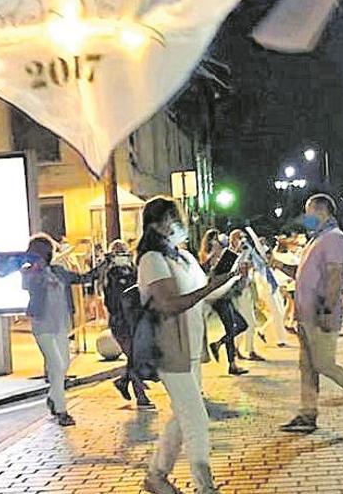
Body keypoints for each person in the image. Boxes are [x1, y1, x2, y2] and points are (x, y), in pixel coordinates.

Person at [137, 197, 235, 494]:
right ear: (156, 224)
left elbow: (205, 295)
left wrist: (228, 278)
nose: (179, 224)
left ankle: (156, 475)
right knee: (196, 418)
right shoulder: (151, 260)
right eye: (172, 218)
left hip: (192, 347)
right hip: (169, 349)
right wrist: (209, 286)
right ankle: (205, 486)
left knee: (183, 417)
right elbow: (167, 304)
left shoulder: (185, 257)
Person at [275, 194, 343, 433]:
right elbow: (304, 275)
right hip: (306, 313)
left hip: (320, 312)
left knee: (324, 363)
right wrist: (280, 265)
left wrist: (328, 309)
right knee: (308, 366)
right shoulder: (317, 239)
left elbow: (335, 276)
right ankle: (307, 413)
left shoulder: (334, 238)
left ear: (321, 211)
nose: (306, 217)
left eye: (308, 212)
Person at [22, 233, 105, 427]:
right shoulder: (29, 272)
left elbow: (83, 278)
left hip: (62, 325)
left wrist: (102, 266)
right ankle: (62, 411)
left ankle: (53, 397)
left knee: (63, 366)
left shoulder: (59, 271)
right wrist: (36, 270)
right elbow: (27, 285)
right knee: (57, 365)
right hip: (42, 326)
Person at [104, 239, 154, 410]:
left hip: (134, 319)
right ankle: (140, 396)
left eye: (124, 253)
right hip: (121, 321)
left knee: (135, 357)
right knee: (134, 357)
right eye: (118, 254)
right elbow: (111, 301)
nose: (122, 257)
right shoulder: (112, 274)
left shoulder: (133, 271)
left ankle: (124, 381)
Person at [198, 229, 250, 376]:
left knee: (240, 325)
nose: (218, 243)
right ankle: (231, 363)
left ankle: (219, 344)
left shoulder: (220, 256)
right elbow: (213, 275)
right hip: (218, 298)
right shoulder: (207, 259)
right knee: (232, 327)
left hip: (225, 295)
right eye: (214, 241)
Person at [229, 229, 265, 362]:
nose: (243, 240)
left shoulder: (245, 253)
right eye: (240, 238)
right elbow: (231, 272)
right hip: (237, 292)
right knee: (249, 323)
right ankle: (247, 351)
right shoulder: (230, 254)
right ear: (233, 240)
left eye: (244, 237)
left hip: (246, 290)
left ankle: (239, 349)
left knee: (247, 323)